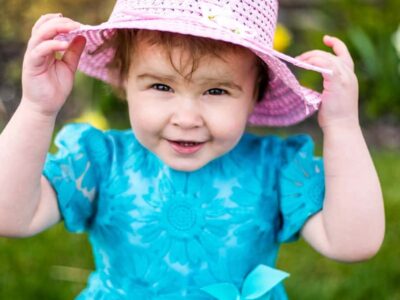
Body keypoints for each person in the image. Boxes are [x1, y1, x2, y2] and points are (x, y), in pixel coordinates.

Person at [0, 0, 385, 299]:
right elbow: (12, 216)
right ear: (123, 81)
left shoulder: (273, 170)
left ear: (255, 95)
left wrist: (342, 126)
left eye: (216, 91)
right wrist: (38, 109)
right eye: (161, 87)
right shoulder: (101, 162)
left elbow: (354, 242)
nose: (186, 117)